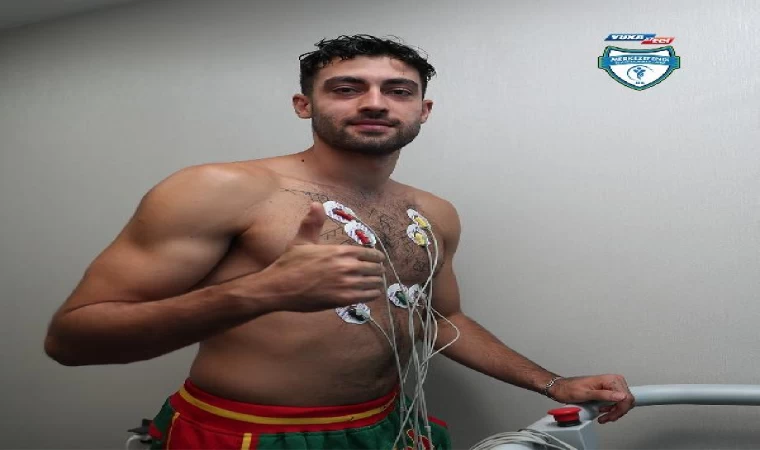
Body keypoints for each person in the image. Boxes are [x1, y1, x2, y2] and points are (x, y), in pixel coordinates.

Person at [44, 34, 635, 450]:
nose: (375, 102)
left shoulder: (433, 213)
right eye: (347, 88)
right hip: (248, 432)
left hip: (386, 427)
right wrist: (262, 292)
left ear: (423, 110)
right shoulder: (219, 189)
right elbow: (72, 339)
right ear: (304, 104)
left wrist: (552, 383)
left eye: (397, 90)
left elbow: (439, 319)